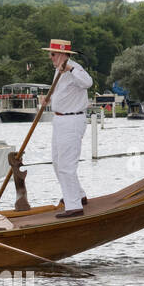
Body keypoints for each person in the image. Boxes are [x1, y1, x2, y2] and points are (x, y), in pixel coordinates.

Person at [44, 39, 93, 219]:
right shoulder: (57, 70)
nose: (50, 57)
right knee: (57, 162)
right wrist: (48, 100)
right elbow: (61, 92)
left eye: (53, 54)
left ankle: (74, 206)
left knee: (66, 165)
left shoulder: (74, 68)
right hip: (59, 120)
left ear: (63, 55)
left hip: (72, 121)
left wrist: (71, 70)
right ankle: (78, 195)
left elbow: (88, 82)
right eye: (51, 53)